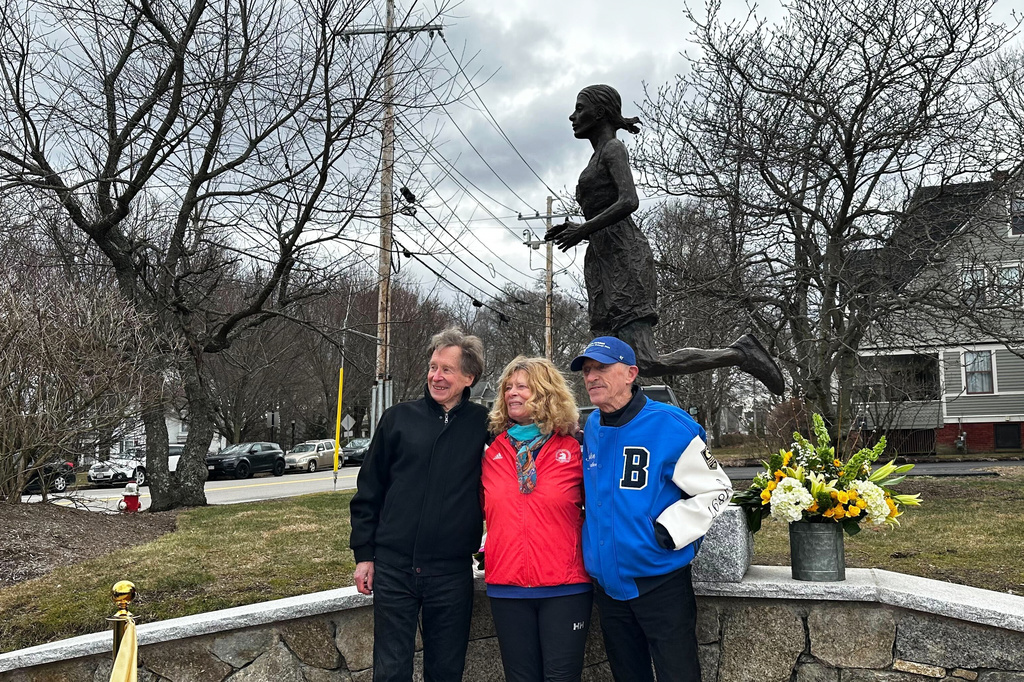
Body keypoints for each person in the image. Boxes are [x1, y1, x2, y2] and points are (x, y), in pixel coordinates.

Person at [546, 84, 785, 395]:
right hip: (601, 261)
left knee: (644, 361)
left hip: (624, 257)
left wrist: (584, 229)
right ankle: (623, 420)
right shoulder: (596, 158)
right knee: (606, 354)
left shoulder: (614, 150)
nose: (572, 116)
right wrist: (578, 227)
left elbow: (629, 201)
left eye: (580, 109)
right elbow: (605, 207)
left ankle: (739, 354)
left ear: (600, 113)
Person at [570, 336, 733, 682]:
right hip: (610, 590)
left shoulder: (670, 425)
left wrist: (668, 532)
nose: (591, 377)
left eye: (601, 368)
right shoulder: (594, 428)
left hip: (660, 584)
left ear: (630, 373)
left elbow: (718, 488)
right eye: (586, 370)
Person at [349, 328, 489, 682]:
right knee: (391, 671)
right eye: (433, 367)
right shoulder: (398, 419)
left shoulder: (483, 424)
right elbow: (369, 490)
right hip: (394, 569)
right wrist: (364, 554)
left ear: (469, 377)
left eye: (447, 369)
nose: (436, 376)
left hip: (451, 573)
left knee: (445, 670)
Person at [481, 356, 592, 682]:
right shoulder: (490, 450)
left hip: (565, 588)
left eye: (523, 387)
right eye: (508, 387)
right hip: (507, 587)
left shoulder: (575, 448)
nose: (512, 393)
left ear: (545, 394)